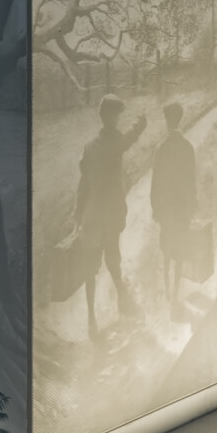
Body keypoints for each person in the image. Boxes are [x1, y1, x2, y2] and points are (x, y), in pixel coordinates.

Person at [76, 94, 145, 335]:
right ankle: (123, 301)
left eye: (117, 115)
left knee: (90, 266)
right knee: (112, 258)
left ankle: (92, 319)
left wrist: (77, 214)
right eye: (115, 115)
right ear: (107, 117)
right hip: (109, 214)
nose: (116, 119)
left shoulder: (90, 146)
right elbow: (129, 139)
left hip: (92, 213)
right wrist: (140, 125)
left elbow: (83, 183)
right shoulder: (115, 141)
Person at [150, 102, 199, 301]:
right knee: (179, 251)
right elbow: (191, 181)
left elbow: (155, 182)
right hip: (181, 209)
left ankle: (168, 291)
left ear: (167, 121)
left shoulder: (161, 148)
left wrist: (155, 208)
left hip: (167, 209)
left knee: (167, 251)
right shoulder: (187, 147)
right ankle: (176, 290)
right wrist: (192, 205)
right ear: (180, 119)